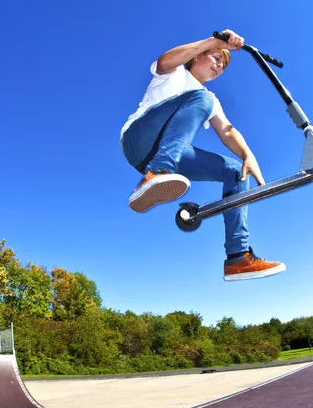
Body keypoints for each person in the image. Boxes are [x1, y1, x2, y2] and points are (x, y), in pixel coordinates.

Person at [120, 30, 286, 281]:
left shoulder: (211, 100)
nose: (220, 65)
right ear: (198, 56)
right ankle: (158, 173)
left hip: (169, 151)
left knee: (234, 170)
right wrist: (214, 41)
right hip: (138, 139)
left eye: (224, 65)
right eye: (217, 58)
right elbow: (164, 60)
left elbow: (228, 131)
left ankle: (237, 257)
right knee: (202, 98)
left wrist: (248, 156)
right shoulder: (175, 73)